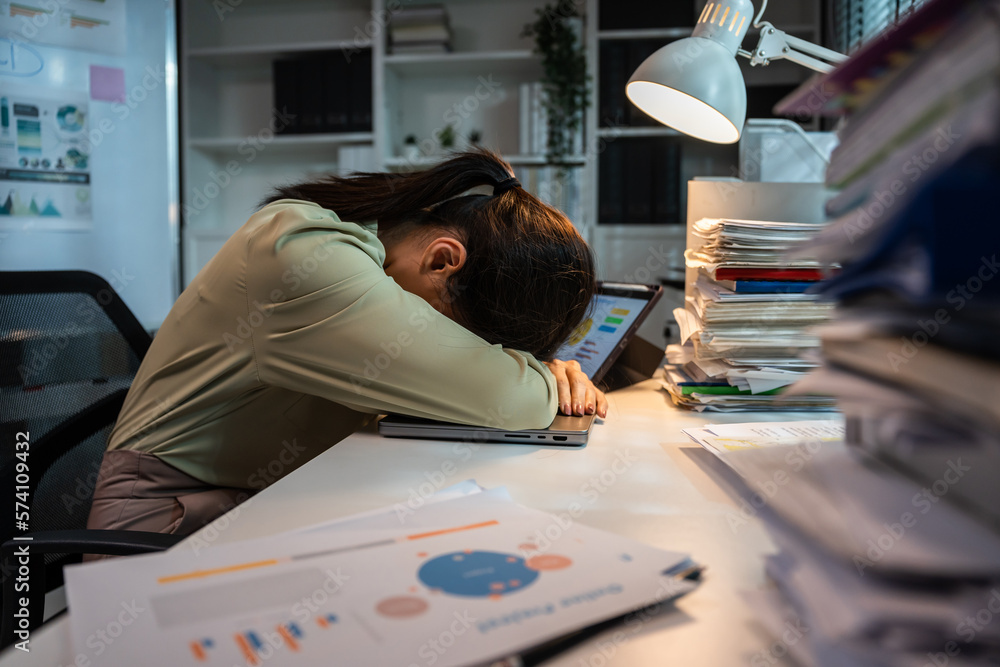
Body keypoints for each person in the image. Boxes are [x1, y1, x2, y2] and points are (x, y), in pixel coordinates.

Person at [86, 150, 606, 538]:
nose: (453, 346)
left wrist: (536, 367)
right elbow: (510, 398)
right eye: (467, 336)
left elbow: (482, 381)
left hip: (262, 500)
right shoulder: (304, 256)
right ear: (443, 260)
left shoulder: (356, 248)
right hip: (162, 526)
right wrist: (536, 379)